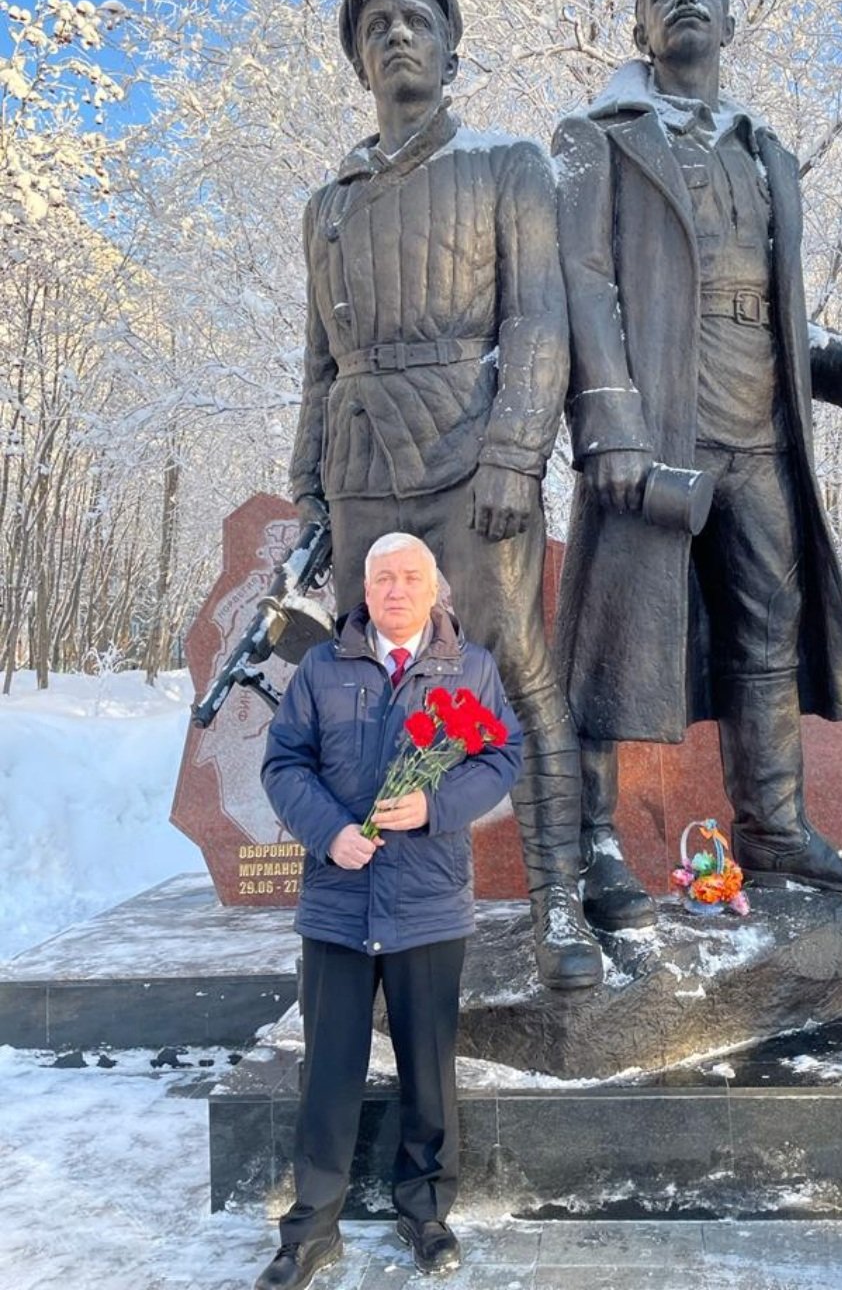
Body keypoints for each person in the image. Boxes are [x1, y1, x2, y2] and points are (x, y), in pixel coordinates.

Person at [553, 0, 842, 898]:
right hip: (653, 430)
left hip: (761, 434)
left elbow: (780, 310)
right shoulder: (597, 138)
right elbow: (581, 288)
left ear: (729, 17)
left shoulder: (766, 154)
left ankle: (776, 830)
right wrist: (609, 424)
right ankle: (587, 840)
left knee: (768, 633)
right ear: (640, 26)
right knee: (610, 640)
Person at [289, 0, 603, 989]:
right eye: (375, 24)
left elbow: (540, 322)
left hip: (472, 460)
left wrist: (516, 453)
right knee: (373, 692)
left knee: (510, 670)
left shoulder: (508, 166)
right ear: (358, 62)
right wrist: (309, 489)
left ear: (452, 53)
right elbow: (319, 363)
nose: (395, 33)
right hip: (361, 467)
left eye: (416, 19)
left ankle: (560, 901)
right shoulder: (328, 206)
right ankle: (390, 906)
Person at [255, 533, 522, 1288]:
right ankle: (311, 1228)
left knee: (429, 1072)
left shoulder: (470, 669)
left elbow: (501, 756)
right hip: (338, 905)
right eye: (382, 579)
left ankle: (426, 1212)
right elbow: (284, 763)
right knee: (328, 1073)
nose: (396, 590)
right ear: (365, 591)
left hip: (428, 905)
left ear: (434, 589)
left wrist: (436, 805)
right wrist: (329, 832)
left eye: (410, 577)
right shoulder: (322, 668)